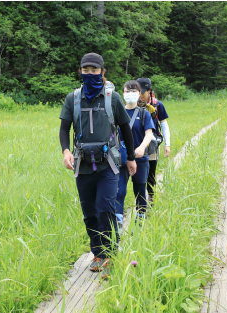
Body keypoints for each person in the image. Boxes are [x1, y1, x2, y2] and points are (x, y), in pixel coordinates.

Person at [59, 53, 137, 279]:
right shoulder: (72, 99)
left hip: (108, 165)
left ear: (103, 72)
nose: (90, 74)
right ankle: (98, 253)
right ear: (80, 71)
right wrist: (66, 151)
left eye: (95, 71)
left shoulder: (113, 98)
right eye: (86, 70)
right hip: (83, 164)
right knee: (90, 213)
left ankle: (110, 253)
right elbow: (65, 128)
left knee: (105, 208)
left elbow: (125, 128)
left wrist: (130, 158)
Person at [116, 80, 155, 234]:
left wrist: (141, 147)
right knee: (119, 191)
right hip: (121, 158)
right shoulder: (117, 112)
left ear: (140, 94)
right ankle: (118, 222)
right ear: (122, 93)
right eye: (127, 91)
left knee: (140, 189)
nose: (130, 93)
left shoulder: (144, 113)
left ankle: (140, 222)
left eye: (134, 90)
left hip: (140, 158)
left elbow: (149, 134)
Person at [136, 78, 171, 204]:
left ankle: (150, 198)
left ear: (149, 91)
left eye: (143, 92)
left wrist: (167, 144)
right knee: (138, 174)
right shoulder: (133, 104)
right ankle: (139, 199)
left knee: (151, 173)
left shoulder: (157, 104)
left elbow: (164, 125)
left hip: (152, 144)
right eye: (138, 91)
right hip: (136, 143)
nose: (140, 95)